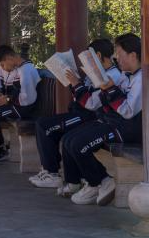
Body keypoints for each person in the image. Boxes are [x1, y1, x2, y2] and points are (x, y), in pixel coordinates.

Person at [58, 33, 143, 205]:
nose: (116, 58)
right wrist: (105, 88)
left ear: (133, 55)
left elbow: (127, 111)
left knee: (79, 144)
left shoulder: (142, 79)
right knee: (68, 139)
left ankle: (100, 181)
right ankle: (89, 182)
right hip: (113, 123)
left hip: (127, 129)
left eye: (119, 54)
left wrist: (109, 89)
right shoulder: (126, 75)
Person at [29, 38, 125, 189]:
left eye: (88, 60)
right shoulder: (98, 73)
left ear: (98, 56)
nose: (87, 65)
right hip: (82, 113)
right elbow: (81, 97)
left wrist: (76, 84)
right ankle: (67, 178)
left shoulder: (113, 75)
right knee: (45, 125)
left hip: (91, 116)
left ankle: (54, 174)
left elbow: (91, 104)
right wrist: (74, 82)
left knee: (47, 127)